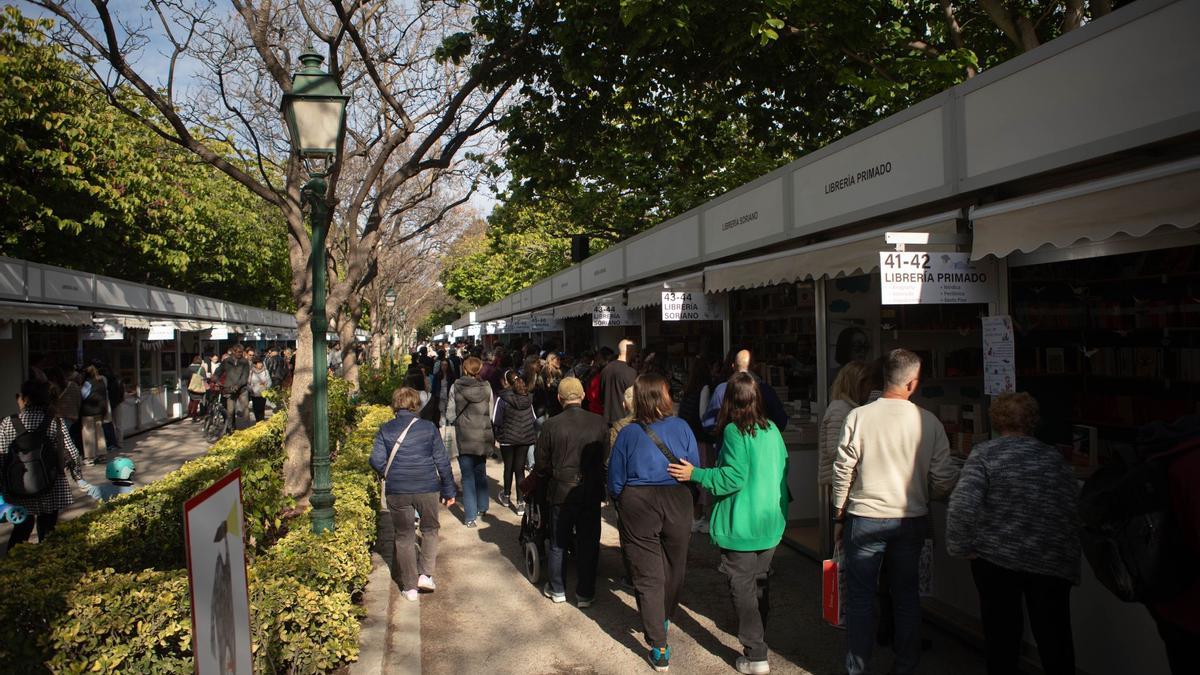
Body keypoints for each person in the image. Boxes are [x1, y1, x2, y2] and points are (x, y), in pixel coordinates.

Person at [832, 348, 959, 675]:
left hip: (865, 518)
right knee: (906, 597)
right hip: (911, 518)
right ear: (913, 383)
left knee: (860, 599)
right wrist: (925, 492)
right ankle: (906, 666)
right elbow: (944, 477)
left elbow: (842, 471)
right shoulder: (928, 421)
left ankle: (857, 668)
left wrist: (838, 514)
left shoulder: (859, 416)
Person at [946, 392, 1080, 675]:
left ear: (996, 421)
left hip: (996, 559)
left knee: (1002, 640)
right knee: (1055, 641)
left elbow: (962, 505)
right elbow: (1071, 508)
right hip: (1049, 561)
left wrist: (961, 546)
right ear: (1033, 422)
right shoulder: (1053, 458)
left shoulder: (985, 455)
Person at [668, 373, 789, 675]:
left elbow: (732, 477)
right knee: (760, 583)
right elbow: (782, 472)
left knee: (744, 587)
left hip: (742, 522)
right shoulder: (773, 429)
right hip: (769, 522)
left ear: (728, 400)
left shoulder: (735, 432)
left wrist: (696, 474)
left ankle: (756, 651)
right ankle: (760, 641)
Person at [608, 373, 701, 673]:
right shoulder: (682, 427)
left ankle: (659, 645)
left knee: (647, 572)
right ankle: (661, 620)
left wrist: (622, 503)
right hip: (677, 497)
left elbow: (615, 478)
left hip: (639, 501)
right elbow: (694, 467)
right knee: (675, 564)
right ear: (661, 397)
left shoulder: (628, 433)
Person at [370, 387, 456, 602]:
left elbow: (375, 459)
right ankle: (425, 574)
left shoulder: (385, 429)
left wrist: (389, 472)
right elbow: (442, 461)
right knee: (430, 529)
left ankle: (409, 587)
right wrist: (448, 489)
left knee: (404, 535)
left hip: (397, 489)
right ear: (416, 405)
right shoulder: (428, 428)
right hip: (426, 486)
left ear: (394, 405)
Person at [530, 376, 608, 608]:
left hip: (561, 490)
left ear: (559, 398)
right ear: (583, 396)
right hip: (590, 489)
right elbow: (604, 458)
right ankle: (585, 593)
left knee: (558, 541)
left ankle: (557, 588)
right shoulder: (599, 422)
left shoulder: (551, 425)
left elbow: (542, 463)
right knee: (589, 541)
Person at [1, 378, 92, 551]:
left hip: (17, 487)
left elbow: (1, 456)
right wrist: (78, 477)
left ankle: (13, 567)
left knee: (21, 529)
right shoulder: (54, 422)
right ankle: (46, 562)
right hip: (51, 486)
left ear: (25, 398)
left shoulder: (7, 423)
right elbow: (72, 453)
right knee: (48, 530)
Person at [819, 360, 870, 553]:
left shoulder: (849, 407)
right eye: (866, 383)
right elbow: (834, 449)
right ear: (856, 383)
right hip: (842, 481)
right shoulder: (841, 408)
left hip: (846, 480)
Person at [702, 350, 788, 436]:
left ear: (733, 366)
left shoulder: (721, 390)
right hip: (759, 446)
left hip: (730, 445)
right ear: (754, 366)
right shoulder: (766, 391)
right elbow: (781, 422)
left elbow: (708, 425)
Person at [451, 356, 494, 528]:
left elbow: (450, 412)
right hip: (482, 435)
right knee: (480, 472)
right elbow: (490, 412)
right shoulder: (487, 387)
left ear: (465, 369)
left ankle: (469, 517)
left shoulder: (456, 386)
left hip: (464, 435)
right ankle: (482, 507)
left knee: (467, 477)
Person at [494, 369, 537, 515]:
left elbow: (496, 420)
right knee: (520, 470)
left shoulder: (502, 398)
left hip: (507, 438)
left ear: (506, 382)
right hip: (524, 438)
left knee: (508, 467)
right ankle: (520, 504)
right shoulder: (528, 397)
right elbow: (534, 419)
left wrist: (498, 434)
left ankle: (506, 496)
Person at [601, 340, 639, 425]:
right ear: (630, 351)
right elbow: (634, 398)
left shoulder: (605, 369)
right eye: (635, 350)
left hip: (607, 420)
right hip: (624, 421)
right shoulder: (631, 372)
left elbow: (602, 395)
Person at [215, 345, 250, 436]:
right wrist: (216, 379)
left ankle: (248, 430)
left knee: (245, 409)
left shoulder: (244, 362)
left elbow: (245, 376)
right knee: (230, 411)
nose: (240, 354)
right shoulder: (226, 361)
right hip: (229, 389)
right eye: (238, 352)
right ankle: (230, 429)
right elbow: (219, 371)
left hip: (241, 389)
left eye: (241, 352)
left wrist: (238, 385)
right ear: (233, 352)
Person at [78, 364, 109, 464]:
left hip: (88, 411)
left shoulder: (88, 383)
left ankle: (90, 457)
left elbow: (83, 395)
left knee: (88, 433)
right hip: (100, 411)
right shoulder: (101, 382)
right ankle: (102, 454)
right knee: (100, 433)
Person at [247, 357, 272, 423]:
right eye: (259, 363)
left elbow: (269, 382)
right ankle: (258, 422)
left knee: (261, 409)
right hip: (254, 394)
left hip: (263, 393)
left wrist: (266, 387)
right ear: (255, 364)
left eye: (261, 363)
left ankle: (261, 422)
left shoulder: (265, 371)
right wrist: (250, 389)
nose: (261, 364)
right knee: (256, 409)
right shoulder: (251, 372)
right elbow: (248, 383)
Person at [186, 355, 207, 421]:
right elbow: (204, 378)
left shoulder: (189, 368)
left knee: (191, 400)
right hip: (198, 387)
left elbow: (185, 376)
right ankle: (194, 416)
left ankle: (189, 413)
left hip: (190, 386)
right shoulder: (201, 369)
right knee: (196, 401)